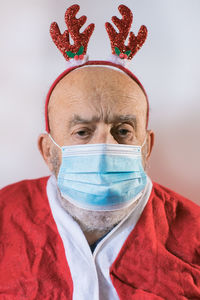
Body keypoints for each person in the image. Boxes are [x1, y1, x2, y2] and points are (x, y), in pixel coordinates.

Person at [0, 4, 200, 300]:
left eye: (123, 131)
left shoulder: (193, 231)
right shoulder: (5, 217)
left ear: (147, 147)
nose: (105, 146)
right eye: (82, 132)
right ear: (47, 150)